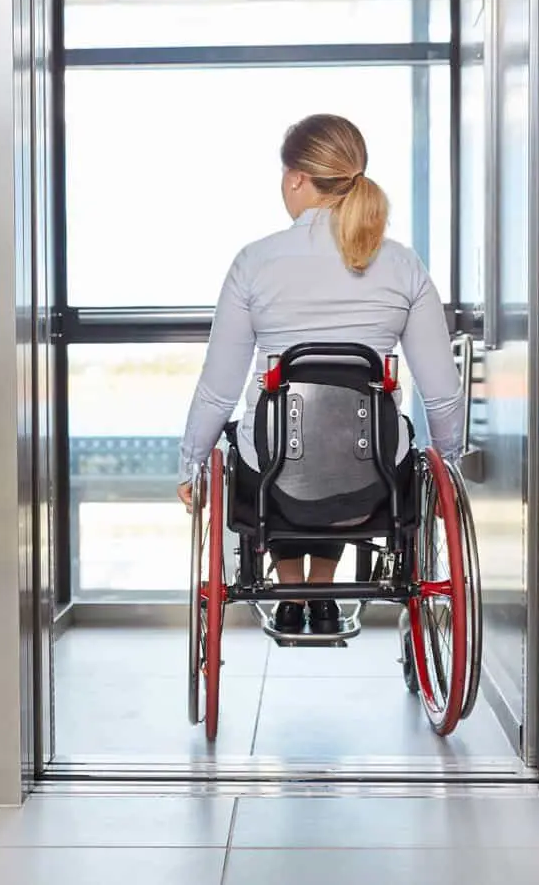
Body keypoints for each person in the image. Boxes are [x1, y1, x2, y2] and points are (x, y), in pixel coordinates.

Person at [176, 113, 463, 634]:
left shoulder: (255, 262)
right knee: (345, 430)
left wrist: (191, 464)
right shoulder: (401, 264)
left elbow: (217, 389)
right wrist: (449, 469)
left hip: (271, 472)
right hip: (373, 472)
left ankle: (290, 591)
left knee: (276, 436)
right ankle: (323, 592)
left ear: (295, 177)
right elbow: (441, 394)